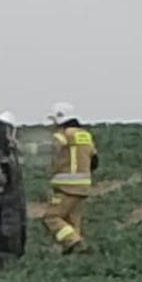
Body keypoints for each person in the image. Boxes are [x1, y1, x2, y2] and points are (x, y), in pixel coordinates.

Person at [42, 101, 98, 254]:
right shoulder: (85, 135)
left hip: (66, 186)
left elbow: (52, 147)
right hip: (83, 185)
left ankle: (75, 242)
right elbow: (94, 160)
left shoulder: (63, 135)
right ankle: (73, 252)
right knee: (72, 221)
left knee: (52, 217)